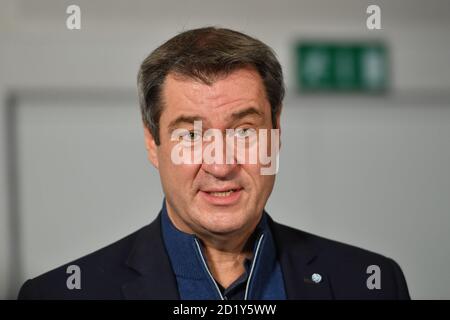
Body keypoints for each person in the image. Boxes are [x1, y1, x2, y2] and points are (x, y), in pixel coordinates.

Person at [18, 27, 410, 300]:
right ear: (153, 143)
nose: (221, 165)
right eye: (190, 136)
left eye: (244, 132)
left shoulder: (370, 284)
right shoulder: (62, 294)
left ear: (277, 131)